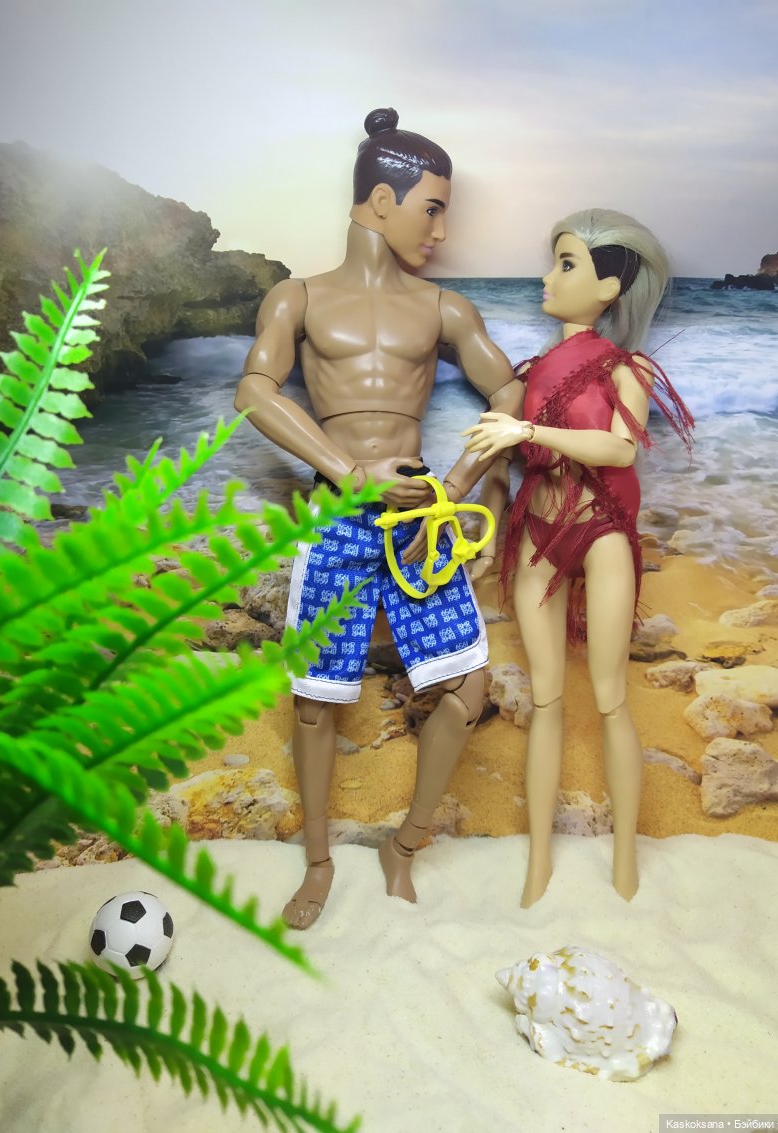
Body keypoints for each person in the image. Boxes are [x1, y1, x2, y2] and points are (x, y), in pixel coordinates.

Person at [235, 108, 522, 929]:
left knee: (465, 685)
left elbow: (511, 391)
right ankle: (318, 862)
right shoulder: (298, 297)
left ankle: (407, 843)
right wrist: (350, 472)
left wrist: (462, 480)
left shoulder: (443, 307)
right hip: (338, 517)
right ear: (382, 201)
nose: (442, 230)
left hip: (419, 521)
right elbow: (253, 389)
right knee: (316, 697)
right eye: (432, 208)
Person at [463, 208, 692, 906]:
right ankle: (538, 859)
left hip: (603, 528)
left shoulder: (627, 368)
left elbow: (620, 449)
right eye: (554, 260)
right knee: (547, 698)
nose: (547, 276)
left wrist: (529, 431)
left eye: (566, 263)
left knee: (611, 698)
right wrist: (481, 529)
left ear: (610, 287)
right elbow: (497, 456)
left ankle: (625, 855)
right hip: (537, 527)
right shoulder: (532, 372)